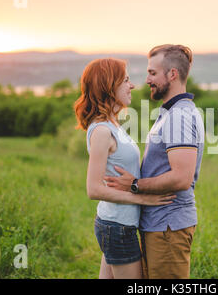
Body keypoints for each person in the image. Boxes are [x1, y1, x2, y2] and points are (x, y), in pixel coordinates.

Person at [105, 44, 205, 279]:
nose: (147, 79)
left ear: (172, 74)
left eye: (152, 73)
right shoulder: (170, 113)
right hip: (160, 227)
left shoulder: (179, 116)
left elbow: (182, 177)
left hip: (168, 227)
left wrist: (135, 184)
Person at [74, 58, 177, 279]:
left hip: (118, 225)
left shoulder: (112, 124)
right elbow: (93, 189)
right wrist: (143, 198)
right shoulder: (102, 131)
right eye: (126, 80)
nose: (131, 86)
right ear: (109, 85)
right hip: (117, 226)